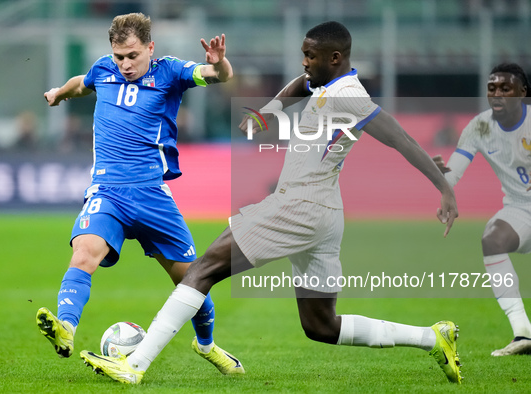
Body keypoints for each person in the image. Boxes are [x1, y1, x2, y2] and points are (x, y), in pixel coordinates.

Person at [80, 21, 462, 385]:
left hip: (297, 207)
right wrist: (266, 115)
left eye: (310, 56)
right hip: (325, 215)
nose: (304, 62)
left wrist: (442, 186)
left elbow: (399, 139)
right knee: (321, 326)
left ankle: (135, 364)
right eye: (303, 53)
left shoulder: (349, 96)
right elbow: (301, 84)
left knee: (202, 270)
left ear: (334, 58)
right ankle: (433, 338)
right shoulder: (328, 83)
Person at [36, 12, 244, 376]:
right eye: (119, 57)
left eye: (133, 55)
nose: (125, 64)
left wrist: (220, 63)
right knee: (84, 253)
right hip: (107, 190)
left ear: (150, 47)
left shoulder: (171, 71)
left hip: (152, 195)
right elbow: (81, 83)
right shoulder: (104, 69)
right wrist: (58, 94)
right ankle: (66, 329)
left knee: (193, 280)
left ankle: (207, 345)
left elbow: (217, 75)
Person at [433, 63, 531, 356]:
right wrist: (440, 178)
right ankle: (523, 333)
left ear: (523, 93)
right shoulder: (480, 126)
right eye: (492, 89)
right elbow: (454, 172)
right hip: (520, 209)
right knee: (492, 239)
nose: (497, 94)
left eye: (505, 88)